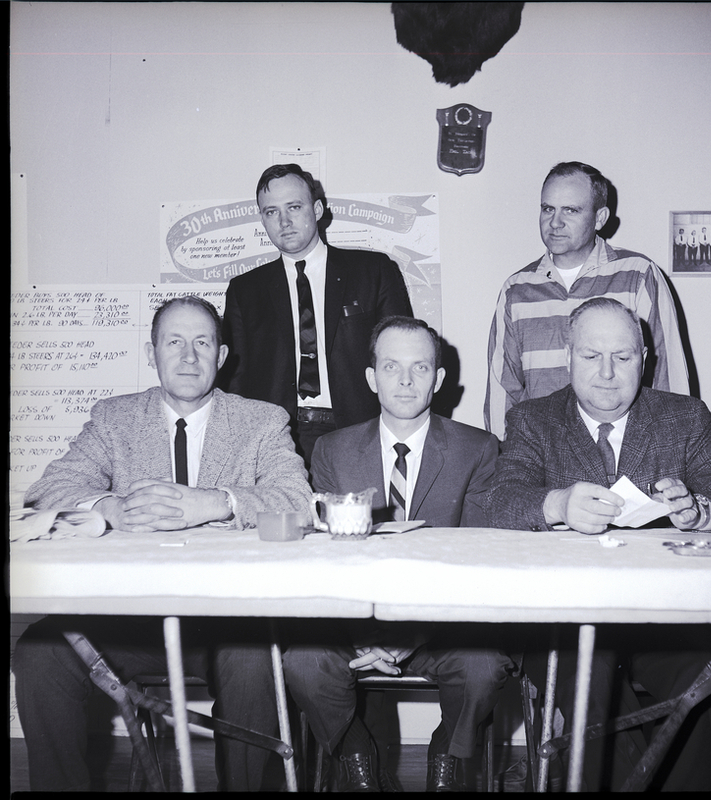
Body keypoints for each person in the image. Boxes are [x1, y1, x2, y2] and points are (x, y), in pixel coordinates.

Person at [13, 296, 312, 792]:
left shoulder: (261, 421)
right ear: (151, 353)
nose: (188, 357)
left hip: (228, 622)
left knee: (254, 658)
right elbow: (46, 492)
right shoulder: (115, 419)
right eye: (174, 342)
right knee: (41, 651)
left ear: (222, 355)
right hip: (131, 620)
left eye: (202, 343)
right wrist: (108, 508)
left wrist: (216, 503)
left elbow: (298, 502)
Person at [484, 297, 711, 791]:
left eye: (622, 357)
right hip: (566, 619)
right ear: (568, 357)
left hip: (665, 615)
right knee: (588, 684)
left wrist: (700, 511)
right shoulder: (533, 420)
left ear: (644, 359)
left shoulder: (683, 418)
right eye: (591, 356)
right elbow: (497, 503)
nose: (607, 373)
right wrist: (557, 504)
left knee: (700, 681)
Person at [283, 316, 515, 792]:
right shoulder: (332, 450)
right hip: (353, 624)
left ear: (439, 379)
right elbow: (325, 559)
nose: (405, 380)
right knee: (302, 662)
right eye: (391, 367)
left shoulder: (477, 449)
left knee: (483, 666)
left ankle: (447, 756)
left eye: (420, 367)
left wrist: (414, 633)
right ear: (371, 378)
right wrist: (361, 633)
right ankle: (357, 756)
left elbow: (476, 560)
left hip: (443, 627)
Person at [221, 163, 413, 469]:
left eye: (294, 207)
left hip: (358, 432)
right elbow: (235, 381)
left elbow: (404, 357)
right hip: (276, 441)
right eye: (271, 212)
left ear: (318, 209)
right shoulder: (244, 290)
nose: (284, 221)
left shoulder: (373, 272)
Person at [485, 161, 689, 439]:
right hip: (544, 450)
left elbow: (669, 377)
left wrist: (672, 449)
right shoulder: (517, 289)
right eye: (548, 209)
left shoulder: (638, 275)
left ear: (600, 218)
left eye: (571, 210)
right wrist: (506, 455)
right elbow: (502, 390)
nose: (555, 222)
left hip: (626, 447)